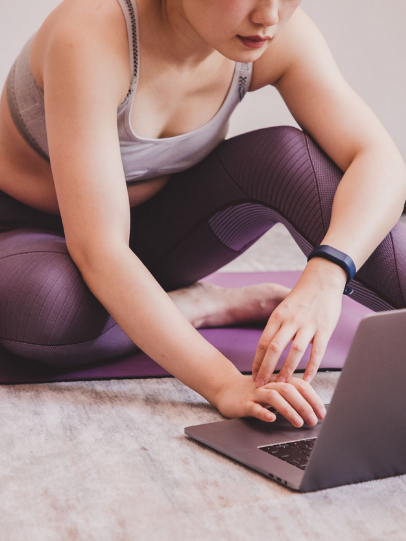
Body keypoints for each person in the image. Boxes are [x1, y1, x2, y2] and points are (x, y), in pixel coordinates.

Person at [0, 0, 405, 429]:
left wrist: (328, 273)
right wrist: (225, 384)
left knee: (290, 158)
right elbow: (100, 251)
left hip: (155, 233)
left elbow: (377, 157)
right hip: (29, 238)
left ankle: (161, 306)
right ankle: (201, 304)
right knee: (48, 307)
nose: (269, 15)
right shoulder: (90, 32)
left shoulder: (277, 35)